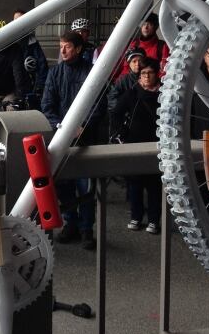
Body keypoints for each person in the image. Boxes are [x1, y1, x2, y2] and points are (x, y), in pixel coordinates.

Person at [42, 31, 103, 249]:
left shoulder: (91, 72)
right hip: (60, 139)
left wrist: (82, 126)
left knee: (85, 186)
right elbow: (47, 105)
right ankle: (71, 223)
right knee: (63, 185)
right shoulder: (55, 73)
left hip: (85, 140)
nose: (63, 50)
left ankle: (87, 229)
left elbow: (98, 104)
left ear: (78, 49)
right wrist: (59, 125)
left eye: (67, 46)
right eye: (61, 46)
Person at [110, 57, 162, 234]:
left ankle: (154, 219)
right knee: (135, 184)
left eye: (150, 72)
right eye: (143, 73)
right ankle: (136, 216)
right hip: (134, 143)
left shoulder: (164, 94)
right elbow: (116, 113)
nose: (146, 76)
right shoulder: (132, 93)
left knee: (154, 185)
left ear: (157, 74)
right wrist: (121, 132)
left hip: (157, 144)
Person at [115, 13, 169, 81]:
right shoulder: (134, 44)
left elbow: (164, 70)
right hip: (132, 84)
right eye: (143, 24)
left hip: (151, 85)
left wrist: (151, 84)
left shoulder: (162, 46)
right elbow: (126, 67)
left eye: (149, 24)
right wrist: (119, 83)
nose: (145, 27)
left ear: (155, 27)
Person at [13, 9, 48, 109]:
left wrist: (39, 87)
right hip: (13, 87)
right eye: (16, 20)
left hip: (29, 85)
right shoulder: (9, 41)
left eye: (21, 20)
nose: (18, 23)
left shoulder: (32, 41)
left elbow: (42, 65)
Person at [107, 47, 145, 118]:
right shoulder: (123, 80)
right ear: (129, 63)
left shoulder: (149, 77)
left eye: (140, 61)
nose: (137, 64)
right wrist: (123, 111)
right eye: (134, 61)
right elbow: (112, 97)